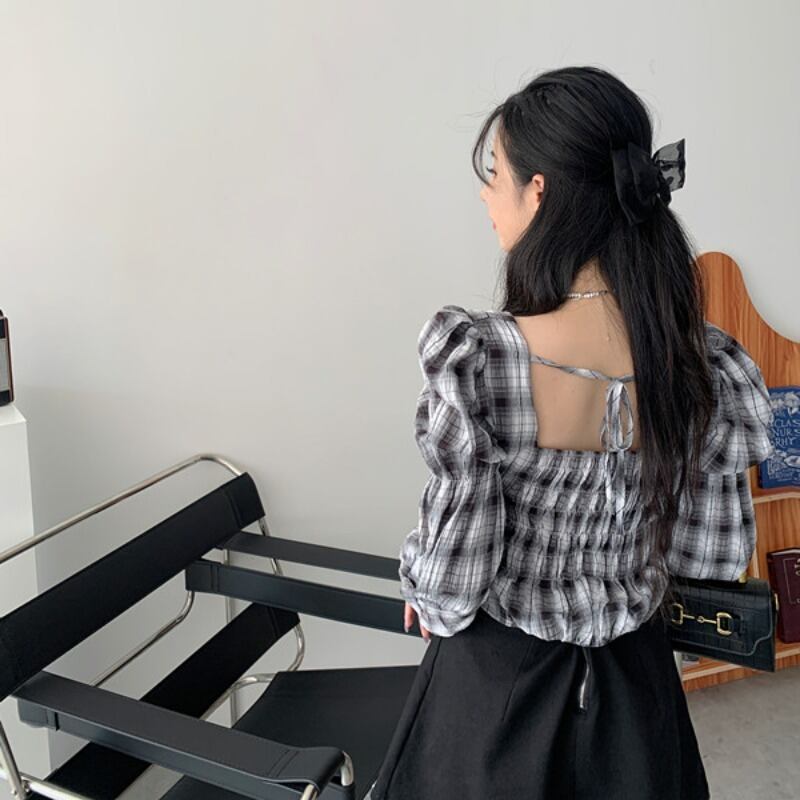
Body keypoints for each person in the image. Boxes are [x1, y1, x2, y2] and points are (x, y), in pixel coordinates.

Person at [367, 65, 774, 800]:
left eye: (495, 174)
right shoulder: (695, 361)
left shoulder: (483, 361)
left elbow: (453, 589)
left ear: (539, 192)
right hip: (636, 691)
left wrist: (425, 591)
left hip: (500, 699)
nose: (486, 195)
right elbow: (708, 557)